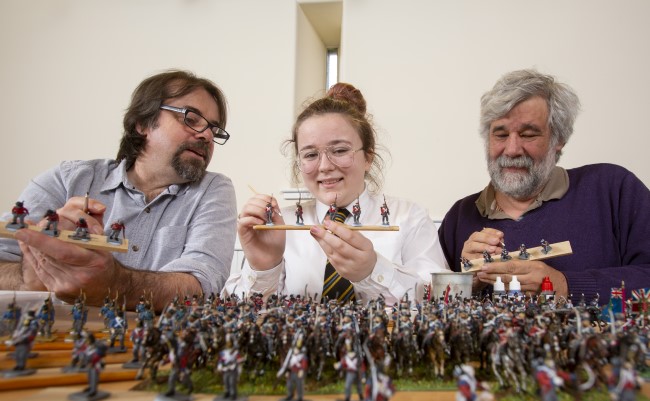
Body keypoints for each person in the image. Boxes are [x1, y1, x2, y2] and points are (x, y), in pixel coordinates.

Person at [0, 70, 237, 311]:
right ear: (143, 123)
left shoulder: (214, 190)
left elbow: (201, 285)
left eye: (214, 129)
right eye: (191, 118)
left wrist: (115, 284)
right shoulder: (67, 179)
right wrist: (28, 277)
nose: (206, 135)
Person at [438, 69, 650, 304]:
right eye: (500, 134)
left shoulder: (613, 190)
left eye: (528, 134)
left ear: (558, 140)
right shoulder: (460, 216)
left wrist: (563, 285)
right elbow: (433, 301)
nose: (512, 149)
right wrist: (467, 284)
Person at [225, 83, 449, 304]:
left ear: (368, 157)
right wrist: (264, 268)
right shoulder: (282, 226)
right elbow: (238, 314)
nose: (324, 166)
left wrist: (373, 271)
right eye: (310, 155)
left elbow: (440, 299)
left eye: (340, 150)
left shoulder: (409, 218)